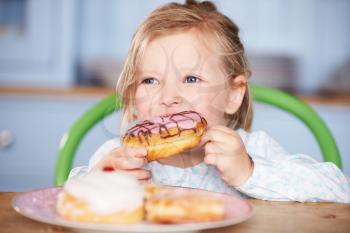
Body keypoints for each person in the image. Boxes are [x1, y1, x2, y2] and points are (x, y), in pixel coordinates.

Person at [70, 0, 350, 203]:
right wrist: (100, 182)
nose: (168, 97)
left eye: (191, 79)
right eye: (150, 80)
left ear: (233, 95)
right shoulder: (119, 156)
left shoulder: (253, 149)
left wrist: (250, 172)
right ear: (132, 96)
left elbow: (339, 189)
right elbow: (66, 201)